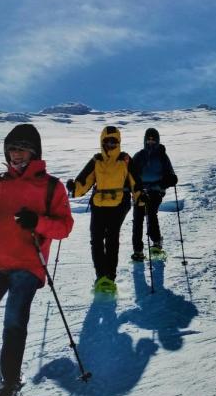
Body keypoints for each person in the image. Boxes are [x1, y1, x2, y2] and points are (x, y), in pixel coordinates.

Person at [0, 123, 73, 396]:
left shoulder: (51, 186)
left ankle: (10, 388)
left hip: (27, 264)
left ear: (34, 152)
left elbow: (64, 226)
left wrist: (36, 222)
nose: (16, 154)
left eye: (22, 148)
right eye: (12, 149)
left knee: (13, 324)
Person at [67, 125, 137, 294]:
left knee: (111, 238)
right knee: (96, 239)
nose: (111, 144)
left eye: (114, 141)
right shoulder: (96, 160)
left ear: (119, 142)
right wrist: (75, 188)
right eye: (107, 141)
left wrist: (140, 196)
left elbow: (136, 180)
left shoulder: (125, 159)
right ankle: (101, 276)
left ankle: (110, 277)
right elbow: (85, 179)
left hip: (119, 205)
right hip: (99, 205)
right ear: (102, 142)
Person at [129, 127, 178, 262]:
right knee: (138, 218)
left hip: (156, 190)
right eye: (148, 139)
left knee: (151, 212)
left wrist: (169, 180)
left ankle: (156, 243)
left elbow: (170, 173)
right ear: (145, 140)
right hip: (140, 190)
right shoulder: (139, 156)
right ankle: (137, 250)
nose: (151, 142)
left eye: (153, 139)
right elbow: (130, 174)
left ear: (157, 141)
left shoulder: (162, 156)